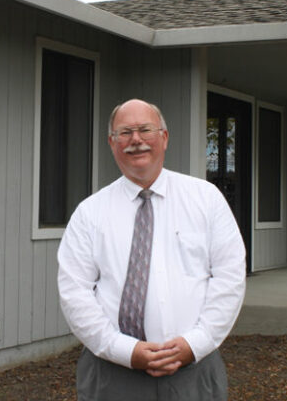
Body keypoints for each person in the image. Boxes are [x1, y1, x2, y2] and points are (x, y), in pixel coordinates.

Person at [57, 98, 247, 401]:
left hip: (193, 372)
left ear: (164, 137)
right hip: (111, 375)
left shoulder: (206, 199)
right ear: (111, 142)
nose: (136, 140)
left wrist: (194, 344)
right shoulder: (89, 213)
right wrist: (125, 350)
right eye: (125, 132)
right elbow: (74, 292)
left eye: (145, 129)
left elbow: (229, 278)